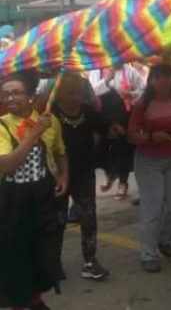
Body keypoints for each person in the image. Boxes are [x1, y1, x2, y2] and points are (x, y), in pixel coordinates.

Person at [0, 71, 68, 309]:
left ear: (31, 97)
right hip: (11, 203)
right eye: (6, 93)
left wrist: (63, 175)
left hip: (42, 201)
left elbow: (60, 152)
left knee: (42, 254)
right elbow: (7, 165)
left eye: (16, 93)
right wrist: (35, 133)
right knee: (14, 254)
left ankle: (33, 299)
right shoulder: (2, 126)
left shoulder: (50, 121)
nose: (10, 98)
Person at [127, 64, 171, 273]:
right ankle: (148, 253)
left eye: (166, 77)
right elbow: (131, 134)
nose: (162, 81)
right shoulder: (142, 103)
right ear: (150, 80)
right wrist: (151, 137)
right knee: (152, 208)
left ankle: (164, 239)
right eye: (157, 77)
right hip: (148, 161)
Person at [52, 73, 113, 281]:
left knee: (88, 217)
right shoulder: (50, 114)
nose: (75, 96)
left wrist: (113, 128)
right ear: (59, 93)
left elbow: (104, 125)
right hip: (58, 176)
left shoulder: (86, 112)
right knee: (57, 220)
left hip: (84, 173)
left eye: (78, 92)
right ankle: (53, 262)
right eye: (70, 92)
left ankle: (90, 260)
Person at [88, 65, 146, 199]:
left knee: (123, 149)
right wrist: (106, 81)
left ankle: (123, 183)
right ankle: (111, 172)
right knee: (101, 148)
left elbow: (142, 90)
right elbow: (91, 92)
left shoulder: (129, 71)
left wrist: (131, 94)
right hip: (104, 118)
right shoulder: (97, 71)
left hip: (124, 116)